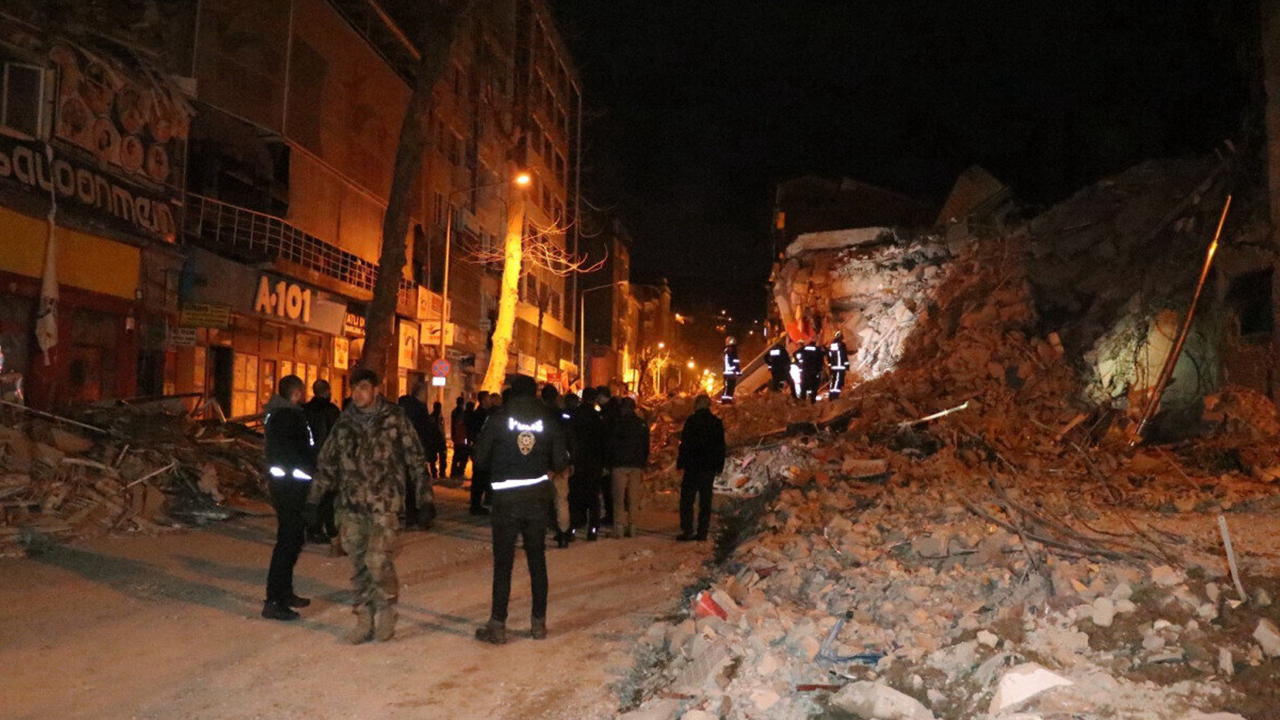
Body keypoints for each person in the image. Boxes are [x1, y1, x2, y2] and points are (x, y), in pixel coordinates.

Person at [304, 368, 431, 644]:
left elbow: (415, 460)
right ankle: (363, 618)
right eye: (354, 388)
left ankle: (385, 609)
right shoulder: (344, 421)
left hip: (384, 505)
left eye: (363, 387)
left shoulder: (394, 418)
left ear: (376, 389)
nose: (357, 394)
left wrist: (424, 499)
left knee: (377, 560)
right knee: (359, 565)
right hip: (350, 506)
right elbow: (327, 463)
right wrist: (313, 500)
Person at [473, 375, 569, 644]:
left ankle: (498, 626)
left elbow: (479, 459)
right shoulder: (549, 418)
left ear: (512, 393)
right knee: (537, 561)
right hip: (537, 498)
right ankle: (538, 624)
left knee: (503, 564)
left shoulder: (499, 418)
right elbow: (561, 460)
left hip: (506, 500)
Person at [262, 375, 316, 621]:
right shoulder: (289, 416)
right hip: (290, 487)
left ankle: (284, 592)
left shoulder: (279, 414)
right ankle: (274, 600)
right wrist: (310, 472)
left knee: (293, 539)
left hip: (285, 485)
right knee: (288, 541)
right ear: (296, 393)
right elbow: (297, 453)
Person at [675, 394, 725, 542]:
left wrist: (681, 463)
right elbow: (720, 446)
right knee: (705, 500)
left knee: (687, 499)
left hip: (692, 466)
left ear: (697, 405)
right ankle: (702, 531)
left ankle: (687, 529)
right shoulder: (716, 422)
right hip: (708, 467)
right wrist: (718, 465)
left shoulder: (691, 421)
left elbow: (685, 444)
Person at [302, 379, 342, 546]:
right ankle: (323, 529)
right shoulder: (332, 411)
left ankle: (312, 529)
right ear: (327, 391)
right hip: (328, 460)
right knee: (328, 497)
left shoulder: (304, 410)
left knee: (312, 496)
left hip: (309, 459)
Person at [608, 397, 650, 538]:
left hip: (619, 464)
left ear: (623, 408)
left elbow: (611, 445)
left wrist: (609, 462)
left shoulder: (616, 424)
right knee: (633, 497)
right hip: (636, 464)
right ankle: (632, 527)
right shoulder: (641, 424)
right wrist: (643, 462)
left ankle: (619, 527)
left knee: (619, 498)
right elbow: (646, 446)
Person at [569, 388, 607, 540]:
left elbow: (570, 438)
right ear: (594, 399)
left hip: (577, 461)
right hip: (594, 462)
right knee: (593, 496)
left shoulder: (574, 416)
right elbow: (603, 442)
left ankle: (574, 527)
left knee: (576, 495)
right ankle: (593, 528)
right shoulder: (597, 417)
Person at [398, 381, 435, 526]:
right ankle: (419, 514)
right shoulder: (418, 409)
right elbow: (423, 431)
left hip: (405, 451)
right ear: (421, 392)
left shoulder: (405, 408)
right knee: (419, 484)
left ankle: (410, 514)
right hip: (416, 451)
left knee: (408, 483)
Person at [553, 392, 579, 547]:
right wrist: (571, 462)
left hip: (544, 466)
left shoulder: (541, 418)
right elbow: (571, 442)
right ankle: (563, 534)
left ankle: (538, 533)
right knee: (562, 500)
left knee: (541, 501)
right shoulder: (566, 420)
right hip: (562, 465)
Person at [467, 391, 494, 514]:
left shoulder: (484, 413)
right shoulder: (480, 414)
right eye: (488, 399)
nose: (490, 401)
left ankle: (477, 504)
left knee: (481, 477)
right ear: (483, 400)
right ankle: (475, 505)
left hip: (482, 448)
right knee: (479, 477)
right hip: (481, 448)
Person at [798, 337, 825, 403]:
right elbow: (821, 359)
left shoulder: (804, 348)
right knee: (814, 386)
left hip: (805, 370)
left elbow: (796, 353)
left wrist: (799, 363)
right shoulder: (817, 349)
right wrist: (819, 368)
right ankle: (812, 400)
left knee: (804, 385)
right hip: (814, 371)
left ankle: (802, 399)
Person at [427, 401, 448, 478]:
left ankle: (438, 472)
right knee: (437, 457)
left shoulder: (437, 416)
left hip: (436, 440)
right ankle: (438, 473)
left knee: (438, 457)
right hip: (437, 440)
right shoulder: (435, 417)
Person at [449, 396, 468, 478]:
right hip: (462, 437)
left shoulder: (454, 411)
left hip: (456, 437)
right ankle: (459, 472)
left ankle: (454, 472)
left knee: (456, 455)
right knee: (463, 455)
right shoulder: (461, 412)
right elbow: (461, 424)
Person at [827, 331, 849, 399]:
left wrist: (830, 365)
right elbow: (844, 355)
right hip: (840, 367)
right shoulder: (842, 345)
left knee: (834, 380)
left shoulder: (832, 345)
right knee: (838, 381)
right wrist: (847, 365)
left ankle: (831, 394)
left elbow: (829, 356)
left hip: (834, 367)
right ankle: (835, 395)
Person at [720, 336, 742, 403]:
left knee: (730, 387)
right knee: (729, 387)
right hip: (730, 373)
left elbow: (734, 362)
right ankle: (726, 401)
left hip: (729, 373)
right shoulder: (731, 352)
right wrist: (738, 371)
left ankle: (727, 400)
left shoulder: (727, 351)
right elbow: (735, 362)